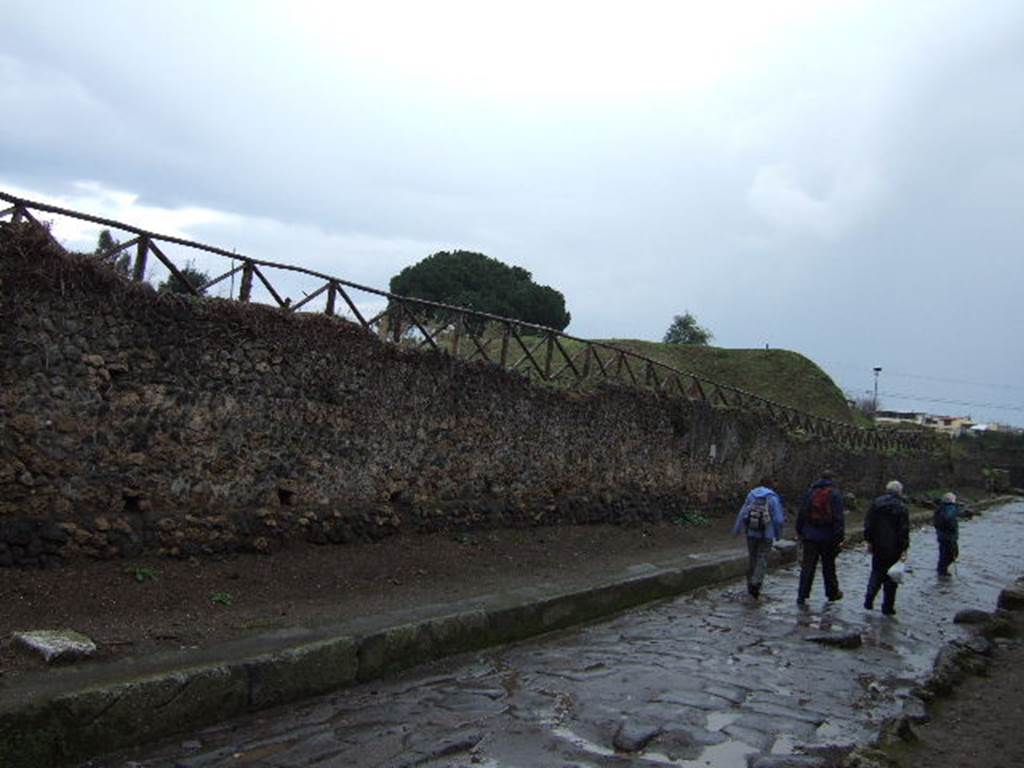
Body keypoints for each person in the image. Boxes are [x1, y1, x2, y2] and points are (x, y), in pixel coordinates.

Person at [795, 470, 845, 604]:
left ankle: (802, 594)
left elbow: (802, 513)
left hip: (810, 536)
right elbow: (839, 518)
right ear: (833, 479)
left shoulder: (810, 493)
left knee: (807, 566)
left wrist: (800, 531)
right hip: (828, 537)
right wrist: (839, 538)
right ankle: (832, 593)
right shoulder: (835, 494)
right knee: (829, 566)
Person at [863, 480, 911, 615]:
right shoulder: (902, 507)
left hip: (878, 545)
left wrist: (869, 541)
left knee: (876, 572)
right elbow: (904, 530)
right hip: (895, 546)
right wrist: (904, 548)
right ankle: (888, 607)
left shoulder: (876, 503)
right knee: (892, 577)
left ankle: (869, 598)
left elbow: (869, 523)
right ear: (899, 492)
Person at [732, 477, 785, 599]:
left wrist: (737, 529)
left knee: (753, 557)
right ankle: (756, 582)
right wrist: (778, 534)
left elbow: (742, 512)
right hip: (767, 534)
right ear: (771, 485)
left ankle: (750, 583)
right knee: (762, 557)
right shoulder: (772, 497)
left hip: (751, 532)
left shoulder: (751, 495)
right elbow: (778, 519)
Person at [934, 491, 960, 576]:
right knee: (953, 553)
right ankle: (942, 571)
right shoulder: (951, 508)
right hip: (949, 536)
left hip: (941, 535)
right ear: (952, 500)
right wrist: (952, 529)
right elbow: (949, 519)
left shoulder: (940, 508)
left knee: (943, 554)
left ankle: (941, 571)